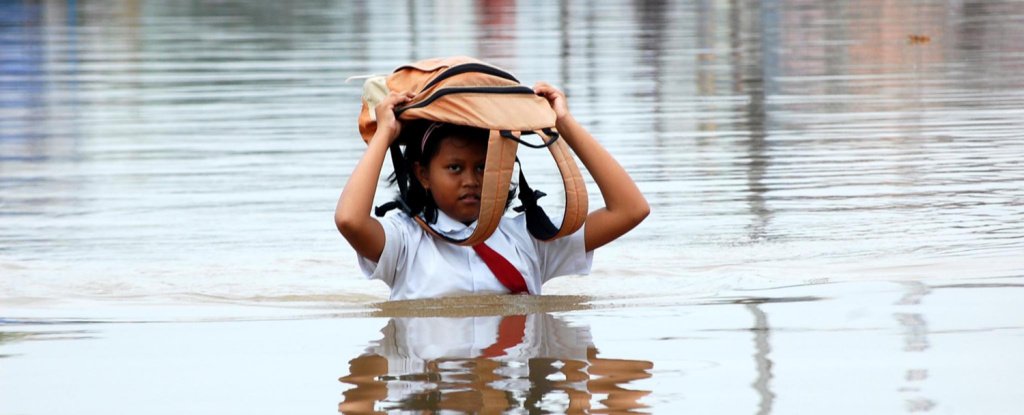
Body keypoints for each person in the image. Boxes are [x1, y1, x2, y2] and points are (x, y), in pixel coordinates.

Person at [334, 83, 649, 300]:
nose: (471, 180)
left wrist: (565, 125)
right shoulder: (404, 242)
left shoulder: (531, 238)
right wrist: (385, 134)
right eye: (455, 168)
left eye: (483, 167)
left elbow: (630, 209)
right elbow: (349, 220)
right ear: (423, 174)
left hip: (505, 397)